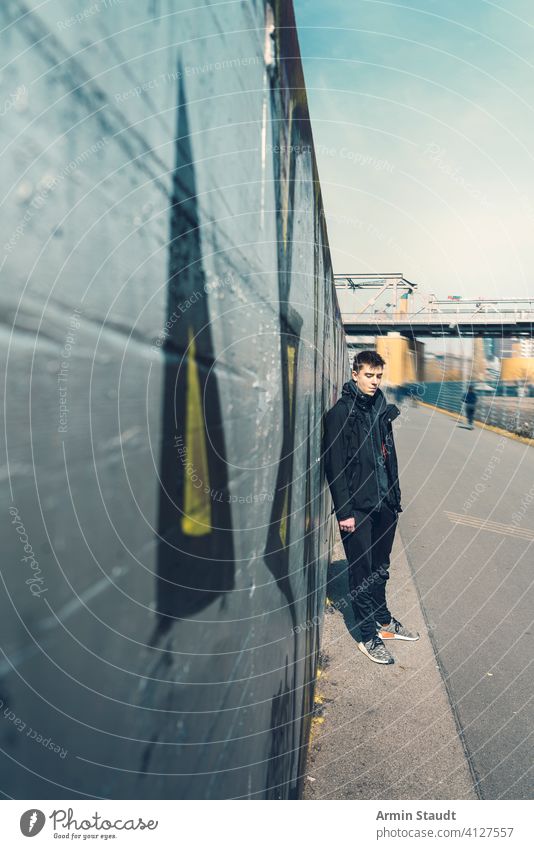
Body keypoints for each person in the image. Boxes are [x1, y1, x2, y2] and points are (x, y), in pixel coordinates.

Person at [323, 351, 419, 665]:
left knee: (380, 568)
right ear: (355, 374)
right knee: (362, 572)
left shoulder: (379, 409)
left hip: (384, 503)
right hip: (358, 509)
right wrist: (344, 512)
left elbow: (388, 457)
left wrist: (394, 497)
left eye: (378, 376)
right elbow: (334, 467)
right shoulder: (340, 414)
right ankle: (367, 635)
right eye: (369, 375)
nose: (374, 382)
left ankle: (384, 621)